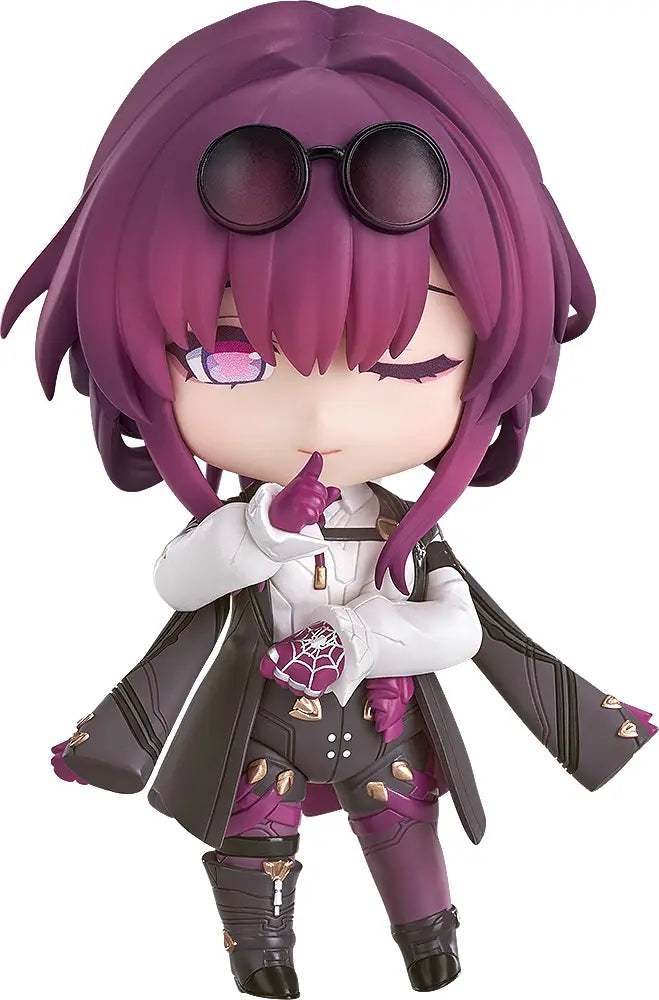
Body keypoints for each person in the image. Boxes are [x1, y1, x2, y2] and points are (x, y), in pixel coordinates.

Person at [2, 3, 654, 997]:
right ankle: (259, 948)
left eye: (405, 365)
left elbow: (465, 630)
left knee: (403, 820)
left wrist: (371, 639)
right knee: (249, 832)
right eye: (228, 358)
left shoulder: (402, 533)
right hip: (257, 718)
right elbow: (177, 585)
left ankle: (427, 933)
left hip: (382, 718)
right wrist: (260, 531)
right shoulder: (236, 527)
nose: (319, 411)